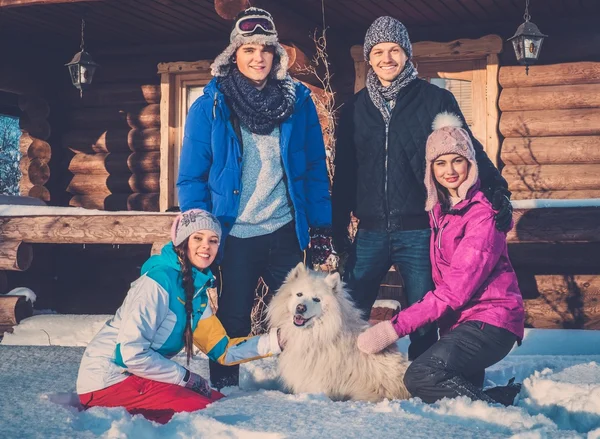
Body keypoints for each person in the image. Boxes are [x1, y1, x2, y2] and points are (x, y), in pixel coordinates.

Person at [332, 16, 513, 360]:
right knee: (347, 310)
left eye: (395, 50)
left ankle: (423, 379)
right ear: (369, 58)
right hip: (369, 231)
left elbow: (468, 146)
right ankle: (343, 373)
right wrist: (339, 230)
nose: (387, 58)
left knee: (425, 316)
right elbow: (344, 172)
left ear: (407, 55)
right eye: (379, 51)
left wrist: (497, 188)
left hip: (419, 228)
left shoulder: (434, 99)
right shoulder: (355, 108)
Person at [177, 7, 332, 389]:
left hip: (283, 229)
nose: (257, 57)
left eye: (265, 49)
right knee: (233, 318)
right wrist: (198, 231)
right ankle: (225, 389)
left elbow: (313, 168)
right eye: (248, 49)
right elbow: (192, 177)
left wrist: (322, 225)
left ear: (276, 55)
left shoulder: (297, 103)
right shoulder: (210, 106)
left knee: (299, 314)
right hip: (235, 233)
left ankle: (303, 385)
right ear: (234, 55)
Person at [356, 113, 525, 406]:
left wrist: (393, 328)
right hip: (463, 326)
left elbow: (453, 291)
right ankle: (497, 401)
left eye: (457, 160)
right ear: (430, 169)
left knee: (420, 375)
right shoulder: (441, 212)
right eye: (440, 163)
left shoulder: (482, 216)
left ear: (470, 163)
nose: (450, 170)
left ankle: (496, 407)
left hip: (490, 322)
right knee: (451, 393)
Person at [76, 209, 283, 424]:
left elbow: (224, 350)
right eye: (198, 238)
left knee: (219, 401)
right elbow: (130, 354)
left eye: (213, 240)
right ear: (182, 242)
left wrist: (277, 340)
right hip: (108, 379)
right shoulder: (157, 282)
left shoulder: (196, 291)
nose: (206, 246)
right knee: (204, 411)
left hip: (139, 376)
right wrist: (185, 377)